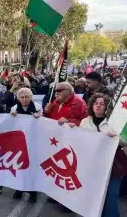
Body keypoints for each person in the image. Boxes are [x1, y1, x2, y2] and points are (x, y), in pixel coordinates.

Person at [77, 93, 127, 217]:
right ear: (91, 105)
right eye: (96, 103)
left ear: (107, 107)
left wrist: (117, 138)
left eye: (102, 104)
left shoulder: (115, 122)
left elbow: (125, 140)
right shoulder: (85, 121)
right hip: (91, 166)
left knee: (111, 196)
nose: (98, 106)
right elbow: (79, 139)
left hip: (112, 167)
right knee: (92, 196)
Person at [44, 82, 87, 213]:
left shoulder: (78, 103)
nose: (56, 93)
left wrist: (69, 122)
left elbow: (84, 123)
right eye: (55, 90)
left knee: (69, 174)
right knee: (58, 171)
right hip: (57, 142)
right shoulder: (55, 102)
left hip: (71, 143)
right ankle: (58, 196)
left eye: (60, 90)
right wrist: (46, 112)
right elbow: (49, 120)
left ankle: (69, 202)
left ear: (68, 91)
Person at [10, 88, 42, 203]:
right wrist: (12, 117)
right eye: (22, 97)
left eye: (27, 97)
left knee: (32, 167)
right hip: (20, 141)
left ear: (31, 97)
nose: (24, 99)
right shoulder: (14, 109)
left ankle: (33, 192)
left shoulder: (38, 107)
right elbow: (10, 126)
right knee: (20, 166)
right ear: (18, 98)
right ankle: (20, 188)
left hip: (33, 141)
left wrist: (39, 118)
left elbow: (44, 123)